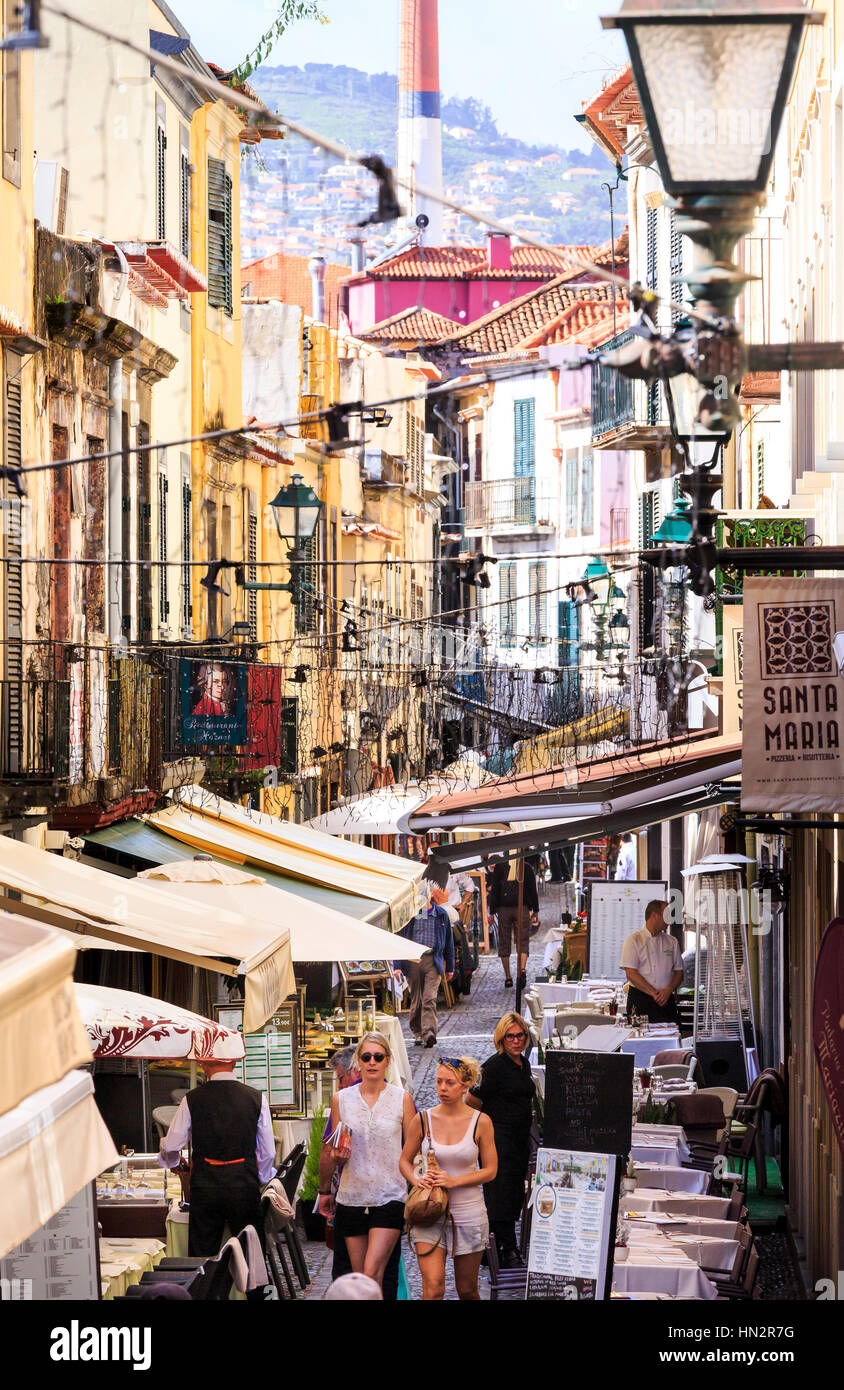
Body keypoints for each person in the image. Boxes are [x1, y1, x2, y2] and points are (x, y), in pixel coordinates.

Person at [317, 1032, 415, 1290]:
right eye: (367, 1057)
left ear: (387, 1061)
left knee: (373, 1273)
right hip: (352, 1196)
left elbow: (414, 1147)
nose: (372, 1062)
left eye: (378, 1057)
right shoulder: (341, 1099)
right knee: (362, 1282)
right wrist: (338, 1157)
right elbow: (337, 1145)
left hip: (390, 1196)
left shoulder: (401, 1099)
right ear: (358, 1062)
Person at [399, 1056, 497, 1301]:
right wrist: (416, 1178)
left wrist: (454, 1181)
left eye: (449, 1083)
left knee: (467, 1290)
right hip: (429, 1211)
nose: (442, 1088)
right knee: (433, 1288)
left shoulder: (481, 1122)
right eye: (439, 1082)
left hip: (468, 1213)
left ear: (465, 1086)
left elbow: (491, 1170)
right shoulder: (422, 1119)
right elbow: (403, 1160)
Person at [157, 1059, 276, 1257]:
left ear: (204, 1066)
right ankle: (254, 1288)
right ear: (235, 1063)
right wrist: (260, 1178)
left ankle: (205, 1287)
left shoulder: (192, 1099)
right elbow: (268, 1152)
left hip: (206, 1183)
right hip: (243, 1181)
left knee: (203, 1252)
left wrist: (173, 1161)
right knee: (250, 1250)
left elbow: (171, 1145)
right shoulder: (256, 1098)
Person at [467, 1013, 535, 1268]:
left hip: (519, 1139)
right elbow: (471, 1100)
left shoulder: (523, 1064)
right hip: (499, 1139)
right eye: (511, 1036)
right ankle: (507, 1248)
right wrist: (488, 1125)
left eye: (520, 1036)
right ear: (502, 1038)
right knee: (500, 1194)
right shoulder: (493, 1066)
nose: (516, 1041)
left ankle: (490, 1246)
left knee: (514, 1193)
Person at [404, 884, 455, 1047]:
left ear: (430, 897)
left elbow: (449, 942)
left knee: (429, 998)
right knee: (417, 998)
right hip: (413, 960)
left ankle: (429, 1033)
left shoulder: (441, 915)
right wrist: (398, 964)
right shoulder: (411, 914)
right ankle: (417, 1031)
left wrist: (451, 967)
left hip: (433, 960)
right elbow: (401, 938)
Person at [620, 898, 684, 1023]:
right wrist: (653, 993)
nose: (670, 920)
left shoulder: (672, 941)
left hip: (666, 1000)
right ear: (654, 916)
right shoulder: (634, 940)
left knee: (669, 1038)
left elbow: (679, 972)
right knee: (640, 1038)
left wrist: (669, 989)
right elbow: (631, 973)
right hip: (640, 999)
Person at [489, 859, 538, 989]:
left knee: (504, 941)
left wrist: (492, 911)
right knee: (523, 940)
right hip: (522, 907)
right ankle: (521, 970)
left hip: (503, 908)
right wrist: (536, 909)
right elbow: (533, 889)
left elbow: (495, 890)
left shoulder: (500, 867)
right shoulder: (526, 867)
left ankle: (508, 977)